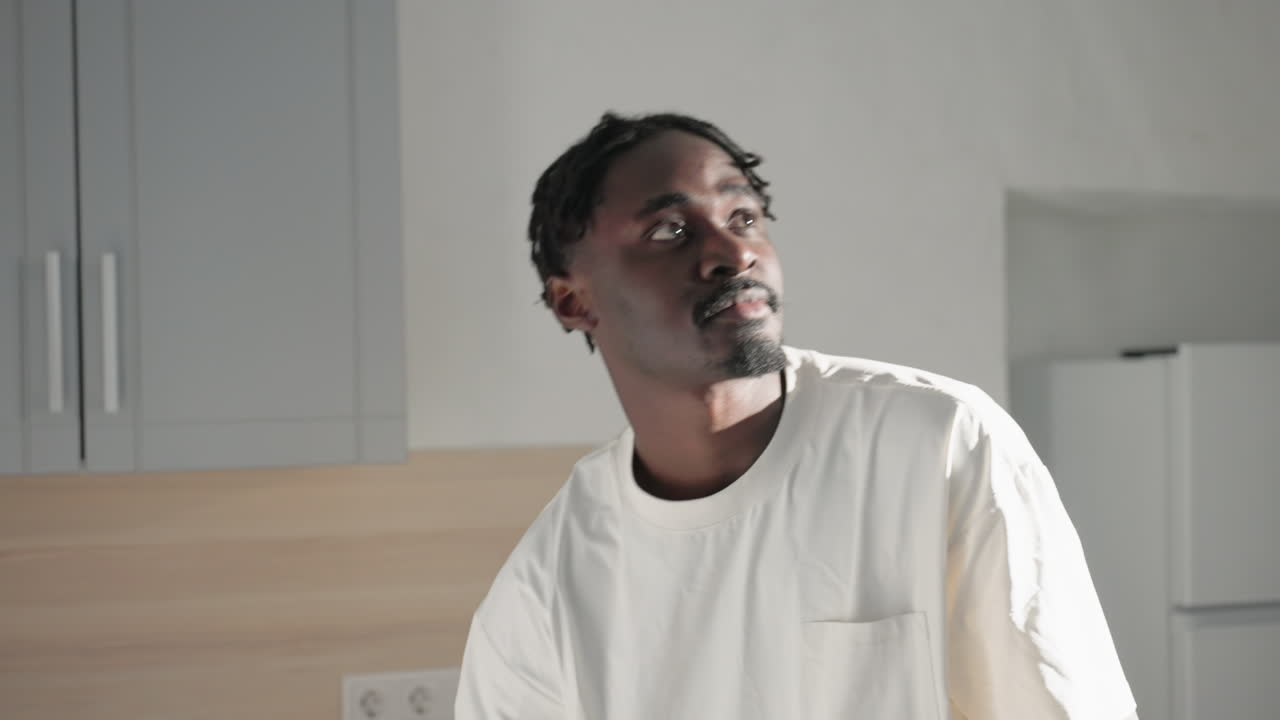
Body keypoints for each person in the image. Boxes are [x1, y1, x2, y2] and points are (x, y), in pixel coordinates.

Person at [454, 111, 1138, 719]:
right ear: (573, 302)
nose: (733, 252)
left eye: (743, 218)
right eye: (668, 230)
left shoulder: (940, 444)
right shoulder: (546, 588)